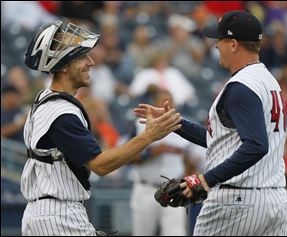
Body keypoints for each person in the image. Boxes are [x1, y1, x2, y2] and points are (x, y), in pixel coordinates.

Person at [134, 10, 287, 236]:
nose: (216, 46)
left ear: (234, 44)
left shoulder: (241, 86)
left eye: (221, 40)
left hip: (235, 201)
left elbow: (256, 145)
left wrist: (205, 179)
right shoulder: (268, 81)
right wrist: (175, 123)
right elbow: (223, 141)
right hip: (274, 201)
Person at [20, 20, 182, 236]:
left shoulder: (44, 100)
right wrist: (149, 136)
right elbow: (101, 165)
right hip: (58, 216)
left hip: (47, 212)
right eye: (81, 57)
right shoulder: (61, 113)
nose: (91, 62)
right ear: (64, 66)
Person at [130, 88, 189, 236]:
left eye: (169, 102)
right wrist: (151, 153)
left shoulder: (183, 125)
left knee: (175, 233)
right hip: (146, 188)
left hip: (174, 189)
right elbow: (129, 157)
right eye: (162, 102)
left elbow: (189, 158)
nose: (166, 106)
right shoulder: (140, 124)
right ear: (154, 104)